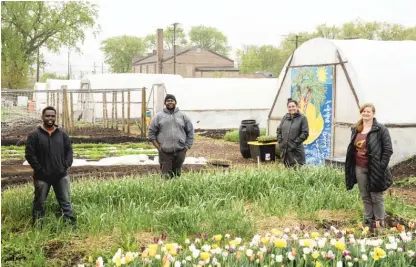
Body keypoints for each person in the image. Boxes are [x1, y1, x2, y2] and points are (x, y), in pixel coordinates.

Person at [25, 106, 75, 227]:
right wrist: (40, 170)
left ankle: (70, 227)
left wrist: (65, 166)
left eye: (52, 116)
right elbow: (30, 155)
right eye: (47, 116)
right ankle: (38, 228)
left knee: (65, 203)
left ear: (55, 117)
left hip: (60, 176)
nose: (50, 118)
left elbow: (69, 151)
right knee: (39, 203)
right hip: (42, 177)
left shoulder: (62, 134)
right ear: (42, 117)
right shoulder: (34, 135)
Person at [345, 103, 393, 228]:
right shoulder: (357, 128)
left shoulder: (380, 129)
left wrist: (381, 167)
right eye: (364, 111)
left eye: (368, 111)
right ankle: (368, 222)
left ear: (373, 114)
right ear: (361, 113)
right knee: (365, 196)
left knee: (376, 196)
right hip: (359, 168)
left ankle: (379, 223)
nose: (366, 113)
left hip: (375, 169)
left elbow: (388, 150)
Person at [148, 94, 194, 179]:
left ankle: (176, 192)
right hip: (165, 152)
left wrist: (186, 147)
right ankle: (165, 192)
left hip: (180, 151)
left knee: (177, 175)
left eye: (172, 100)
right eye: (168, 101)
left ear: (175, 102)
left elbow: (190, 132)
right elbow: (151, 133)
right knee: (165, 176)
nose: (170, 102)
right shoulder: (158, 116)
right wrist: (159, 148)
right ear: (165, 103)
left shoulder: (183, 116)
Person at [276, 98, 309, 167]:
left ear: (297, 107)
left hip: (296, 152)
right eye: (289, 107)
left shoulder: (302, 118)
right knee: (287, 174)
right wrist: (280, 141)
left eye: (293, 106)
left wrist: (295, 143)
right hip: (285, 152)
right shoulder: (285, 117)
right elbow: (279, 130)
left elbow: (305, 133)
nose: (291, 108)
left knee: (297, 172)